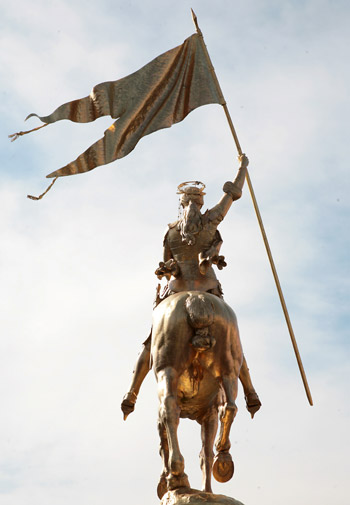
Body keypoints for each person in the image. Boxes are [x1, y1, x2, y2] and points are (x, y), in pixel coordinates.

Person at [121, 154, 261, 419]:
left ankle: (132, 392)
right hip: (209, 291)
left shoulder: (171, 230)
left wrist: (170, 269)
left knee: (152, 344)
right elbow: (233, 193)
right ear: (200, 203)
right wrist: (242, 168)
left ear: (182, 204)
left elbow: (167, 267)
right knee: (233, 348)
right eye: (196, 202)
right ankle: (250, 391)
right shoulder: (211, 221)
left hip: (176, 291)